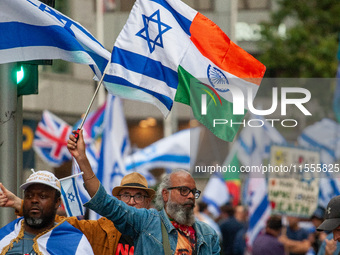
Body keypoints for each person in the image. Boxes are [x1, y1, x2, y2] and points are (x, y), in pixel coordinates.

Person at [67, 130, 221, 254]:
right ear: (165, 195)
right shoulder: (147, 222)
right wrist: (82, 159)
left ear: (148, 201)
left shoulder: (208, 235)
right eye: (183, 190)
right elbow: (103, 201)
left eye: (193, 192)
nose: (190, 196)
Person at [0, 171, 155, 255]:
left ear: (148, 202)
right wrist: (21, 204)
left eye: (139, 196)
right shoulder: (102, 229)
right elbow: (62, 223)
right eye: (126, 195)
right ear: (118, 200)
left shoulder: (160, 231)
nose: (131, 201)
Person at [0, 170, 94, 254]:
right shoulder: (4, 236)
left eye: (43, 196)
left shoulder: (75, 244)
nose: (34, 200)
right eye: (29, 196)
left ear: (57, 202)